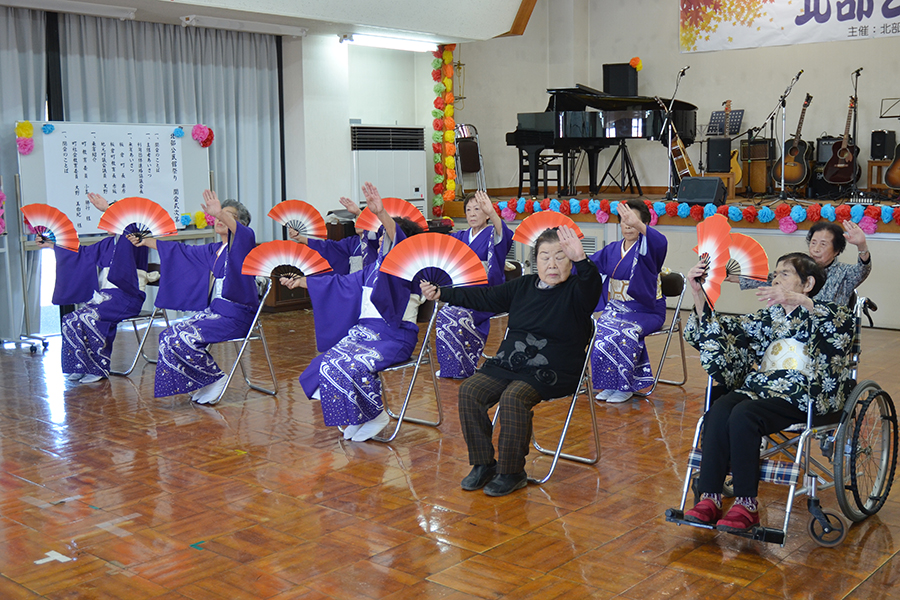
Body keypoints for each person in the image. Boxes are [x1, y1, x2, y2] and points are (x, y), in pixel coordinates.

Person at [420, 226, 603, 496]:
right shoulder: (524, 286)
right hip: (510, 362)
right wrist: (443, 293)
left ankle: (512, 471)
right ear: (535, 260)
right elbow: (484, 297)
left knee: (514, 397)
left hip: (555, 368)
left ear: (571, 261)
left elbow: (592, 285)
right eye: (545, 256)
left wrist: (581, 260)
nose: (552, 264)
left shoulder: (578, 291)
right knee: (470, 391)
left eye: (560, 257)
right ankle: (483, 464)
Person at [681, 252, 855, 532]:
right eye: (775, 273)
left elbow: (844, 328)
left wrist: (803, 303)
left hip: (801, 393)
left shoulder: (827, 313)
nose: (776, 278)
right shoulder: (769, 316)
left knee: (743, 415)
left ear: (807, 283)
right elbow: (726, 332)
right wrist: (698, 293)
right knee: (719, 410)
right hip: (762, 386)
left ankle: (747, 504)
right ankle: (710, 496)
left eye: (784, 273)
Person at [285, 182, 425, 442]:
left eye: (388, 235)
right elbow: (338, 283)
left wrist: (382, 214)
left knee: (352, 364)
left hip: (395, 337)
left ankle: (375, 415)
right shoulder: (371, 268)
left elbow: (398, 241)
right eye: (381, 234)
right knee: (325, 364)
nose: (382, 238)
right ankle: (359, 415)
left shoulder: (408, 269)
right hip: (363, 333)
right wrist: (303, 281)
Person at [129, 190, 259, 405]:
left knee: (184, 338)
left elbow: (244, 233)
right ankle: (203, 381)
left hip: (237, 315)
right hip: (216, 312)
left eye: (227, 216)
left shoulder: (245, 243)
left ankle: (215, 378)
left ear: (241, 224)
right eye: (218, 216)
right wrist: (147, 241)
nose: (219, 219)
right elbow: (181, 251)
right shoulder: (215, 249)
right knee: (169, 335)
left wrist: (220, 212)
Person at [40, 192, 149, 383]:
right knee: (71, 319)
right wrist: (53, 245)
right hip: (106, 297)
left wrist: (109, 209)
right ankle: (79, 365)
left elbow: (128, 230)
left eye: (110, 218)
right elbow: (81, 254)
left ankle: (97, 368)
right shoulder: (108, 243)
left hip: (128, 297)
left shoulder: (134, 239)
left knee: (90, 317)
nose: (105, 222)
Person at [589, 200, 668, 403]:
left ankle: (626, 385)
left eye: (633, 221)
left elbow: (661, 243)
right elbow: (588, 266)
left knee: (627, 332)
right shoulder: (612, 249)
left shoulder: (649, 248)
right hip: (616, 308)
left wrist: (641, 226)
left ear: (644, 224)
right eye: (624, 221)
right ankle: (608, 384)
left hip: (646, 311)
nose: (628, 225)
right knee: (601, 330)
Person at [434, 190, 513, 379]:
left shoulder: (493, 234)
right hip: (462, 292)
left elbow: (506, 237)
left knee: (460, 314)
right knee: (445, 313)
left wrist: (494, 214)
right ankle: (450, 367)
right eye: (468, 210)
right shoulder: (460, 236)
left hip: (486, 293)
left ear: (487, 213)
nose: (472, 213)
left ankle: (466, 365)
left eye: (478, 209)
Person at [734, 220, 871, 306]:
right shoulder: (800, 266)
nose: (816, 249)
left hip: (827, 331)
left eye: (823, 244)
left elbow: (863, 269)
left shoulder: (845, 273)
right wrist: (732, 277)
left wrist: (862, 245)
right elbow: (769, 279)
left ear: (836, 250)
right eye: (813, 243)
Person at [287, 196, 379, 275]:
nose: (358, 222)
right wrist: (300, 237)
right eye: (356, 219)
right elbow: (328, 247)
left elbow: (376, 235)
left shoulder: (377, 240)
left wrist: (359, 212)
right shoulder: (350, 243)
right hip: (355, 284)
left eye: (362, 219)